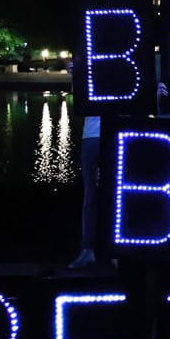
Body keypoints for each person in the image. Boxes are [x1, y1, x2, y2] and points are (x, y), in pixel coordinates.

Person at [68, 114, 106, 269]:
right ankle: (88, 250)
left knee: (112, 197)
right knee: (91, 197)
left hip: (112, 133)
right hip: (92, 136)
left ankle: (109, 250)